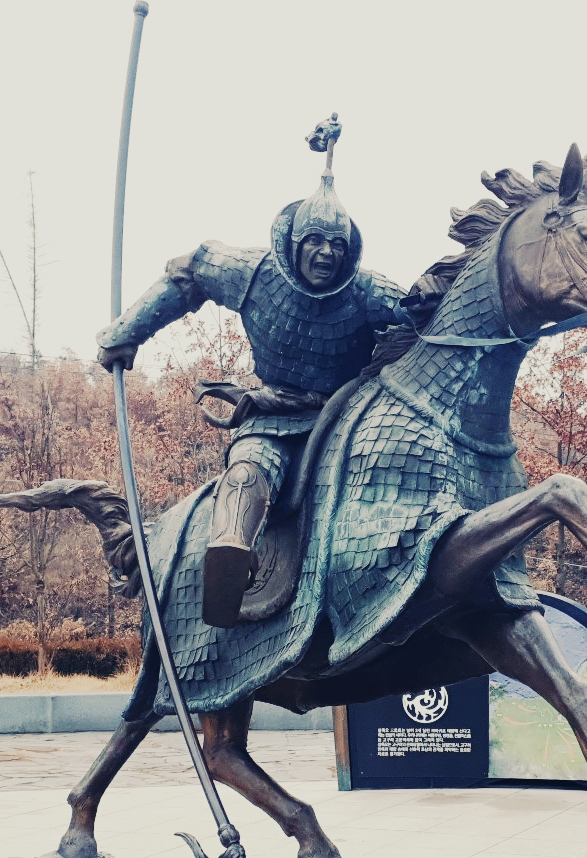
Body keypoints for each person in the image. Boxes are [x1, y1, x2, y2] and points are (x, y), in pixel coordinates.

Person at [96, 117, 404, 627]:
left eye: (337, 245)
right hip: (274, 419)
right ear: (295, 242)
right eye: (316, 241)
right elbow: (189, 272)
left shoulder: (368, 292)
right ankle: (227, 573)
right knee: (245, 477)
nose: (327, 253)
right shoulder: (252, 271)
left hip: (349, 420)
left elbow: (426, 320)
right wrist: (126, 333)